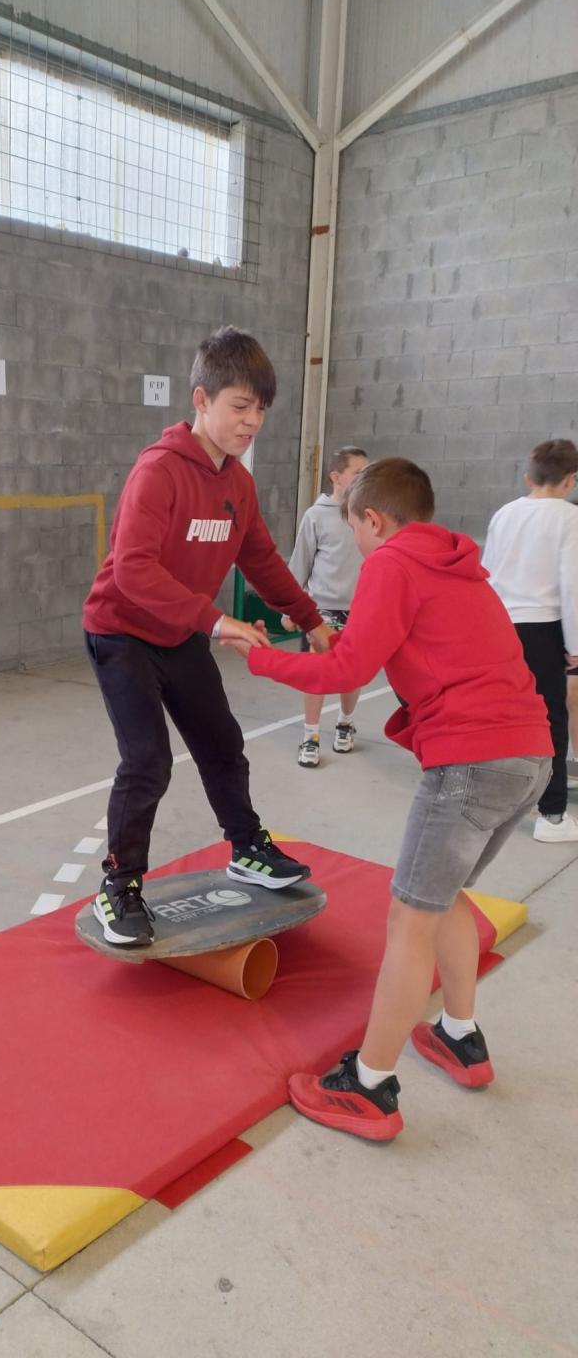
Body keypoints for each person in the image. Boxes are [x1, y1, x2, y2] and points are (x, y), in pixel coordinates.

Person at [226, 457, 551, 1140]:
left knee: (408, 921)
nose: (357, 544)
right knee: (444, 897)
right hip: (529, 755)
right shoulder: (456, 563)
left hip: (471, 761)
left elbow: (349, 669)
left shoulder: (392, 564)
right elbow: (402, 643)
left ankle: (369, 1087)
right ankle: (459, 1035)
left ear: (373, 520)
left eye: (355, 531)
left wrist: (259, 656)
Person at [82, 327, 333, 947]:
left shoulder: (238, 484)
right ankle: (119, 884)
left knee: (222, 742)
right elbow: (133, 570)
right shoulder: (159, 471)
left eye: (261, 410)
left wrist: (310, 619)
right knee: (147, 761)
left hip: (180, 634)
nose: (252, 422)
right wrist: (217, 621)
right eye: (240, 407)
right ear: (201, 399)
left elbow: (262, 559)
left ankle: (246, 848)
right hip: (121, 633)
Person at [481, 439, 578, 842]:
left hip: (500, 626)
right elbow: (571, 585)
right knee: (551, 720)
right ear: (570, 480)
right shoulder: (569, 517)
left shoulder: (505, 513)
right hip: (543, 628)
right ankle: (552, 816)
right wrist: (575, 644)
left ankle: (489, 804)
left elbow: (485, 574)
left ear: (529, 477)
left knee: (501, 716)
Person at [282, 446, 369, 767]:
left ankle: (345, 724)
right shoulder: (316, 516)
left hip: (360, 610)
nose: (365, 478)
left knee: (352, 674)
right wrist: (290, 609)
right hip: (321, 611)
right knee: (316, 674)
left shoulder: (369, 514)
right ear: (336, 476)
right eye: (358, 473)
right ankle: (311, 736)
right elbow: (300, 563)